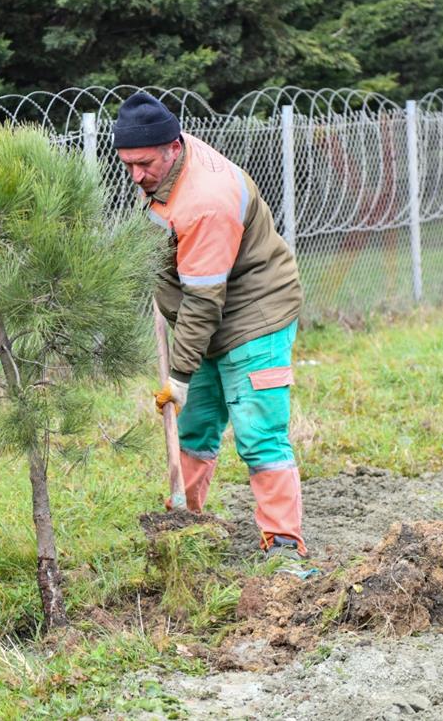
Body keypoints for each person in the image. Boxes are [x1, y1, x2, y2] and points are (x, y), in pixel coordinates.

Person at [114, 91, 308, 558]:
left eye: (144, 165)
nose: (136, 176)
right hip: (208, 312)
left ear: (173, 148)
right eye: (128, 164)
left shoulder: (208, 199)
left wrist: (179, 377)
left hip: (255, 313)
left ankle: (283, 543)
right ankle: (186, 521)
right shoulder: (163, 168)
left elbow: (204, 302)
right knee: (197, 422)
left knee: (258, 431)